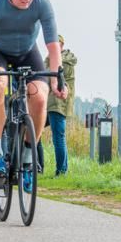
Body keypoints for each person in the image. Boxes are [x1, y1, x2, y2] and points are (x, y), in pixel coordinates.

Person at [0, 0, 67, 193]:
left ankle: (28, 158)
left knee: (39, 97)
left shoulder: (42, 3)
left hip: (28, 52)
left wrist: (58, 79)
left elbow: (53, 48)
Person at [44, 34, 76, 176]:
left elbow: (49, 81)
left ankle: (61, 171)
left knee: (58, 137)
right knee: (34, 131)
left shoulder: (61, 62)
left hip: (57, 103)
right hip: (50, 103)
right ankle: (41, 167)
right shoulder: (54, 60)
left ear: (61, 45)